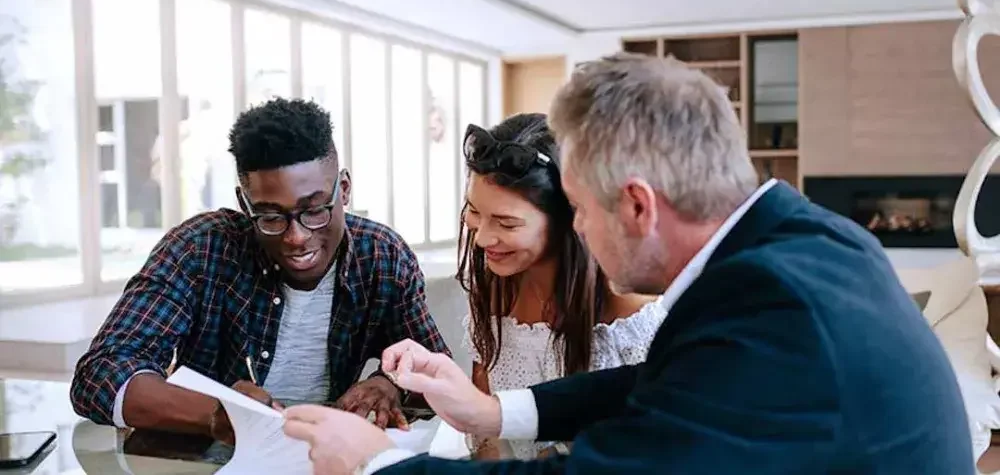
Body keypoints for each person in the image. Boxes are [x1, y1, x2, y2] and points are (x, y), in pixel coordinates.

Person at [282, 54, 974, 474]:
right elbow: (668, 381)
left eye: (579, 209)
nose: (579, 229)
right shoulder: (801, 240)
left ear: (638, 205)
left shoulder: (775, 306)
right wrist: (493, 410)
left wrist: (371, 461)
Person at [71, 97, 449, 445]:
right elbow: (100, 374)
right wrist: (216, 415)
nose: (297, 237)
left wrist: (389, 383)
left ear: (344, 190)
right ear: (244, 203)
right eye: (270, 216)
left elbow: (436, 371)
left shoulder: (382, 257)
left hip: (327, 457)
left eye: (315, 210)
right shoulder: (200, 249)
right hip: (211, 459)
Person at [459, 113, 666, 458]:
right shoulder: (496, 293)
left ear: (569, 220)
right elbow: (487, 439)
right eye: (474, 212)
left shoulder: (628, 312)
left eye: (506, 223)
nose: (481, 238)